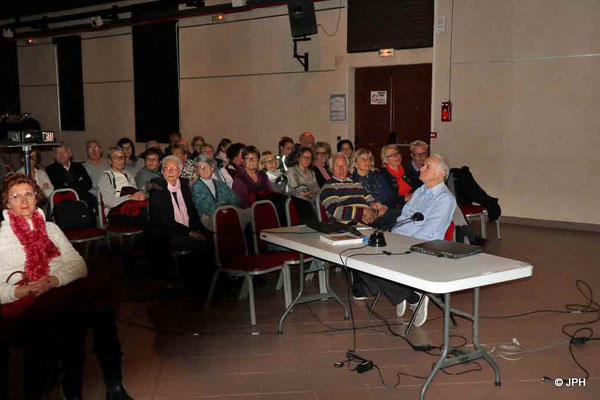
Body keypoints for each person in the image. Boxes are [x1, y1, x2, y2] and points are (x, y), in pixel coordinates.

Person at [0, 174, 134, 400]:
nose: (24, 201)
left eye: (29, 194)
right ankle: (69, 389)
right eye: (16, 196)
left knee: (100, 306)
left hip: (56, 285)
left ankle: (114, 384)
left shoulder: (51, 228)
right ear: (6, 202)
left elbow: (77, 264)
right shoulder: (3, 235)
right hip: (22, 295)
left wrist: (54, 279)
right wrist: (22, 290)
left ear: (37, 198)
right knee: (62, 319)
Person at [359, 154, 457, 327]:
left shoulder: (445, 199)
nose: (421, 168)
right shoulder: (420, 191)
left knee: (379, 260)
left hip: (424, 247)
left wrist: (399, 241)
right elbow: (403, 218)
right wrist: (394, 236)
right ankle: (405, 294)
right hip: (403, 239)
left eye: (427, 166)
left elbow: (428, 233)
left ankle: (411, 296)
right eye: (423, 165)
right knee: (360, 258)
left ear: (441, 173)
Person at [146, 156, 208, 291]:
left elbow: (192, 211)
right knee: (196, 243)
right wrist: (190, 232)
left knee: (209, 237)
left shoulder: (184, 186)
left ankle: (205, 280)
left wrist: (198, 228)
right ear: (162, 171)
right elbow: (165, 220)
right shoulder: (157, 188)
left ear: (180, 172)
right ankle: (192, 283)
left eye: (173, 168)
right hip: (165, 231)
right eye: (166, 168)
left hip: (182, 228)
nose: (170, 171)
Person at [319, 153, 385, 226]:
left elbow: (372, 201)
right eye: (337, 166)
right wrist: (362, 212)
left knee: (395, 214)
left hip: (367, 221)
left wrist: (375, 211)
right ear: (332, 168)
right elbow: (335, 211)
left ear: (347, 167)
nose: (341, 169)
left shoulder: (357, 184)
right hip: (346, 224)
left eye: (343, 165)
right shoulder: (328, 187)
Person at [350, 148, 404, 228]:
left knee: (401, 214)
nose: (367, 161)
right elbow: (355, 202)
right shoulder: (351, 181)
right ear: (355, 163)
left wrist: (385, 207)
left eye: (369, 158)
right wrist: (374, 211)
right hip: (366, 214)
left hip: (385, 212)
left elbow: (391, 197)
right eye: (363, 158)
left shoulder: (378, 176)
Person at [191, 155, 240, 229]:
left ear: (212, 168)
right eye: (200, 167)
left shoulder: (220, 184)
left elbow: (234, 199)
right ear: (197, 171)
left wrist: (227, 208)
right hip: (209, 220)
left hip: (227, 215)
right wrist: (223, 208)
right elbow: (206, 208)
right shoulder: (196, 187)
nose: (204, 169)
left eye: (206, 166)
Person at [45, 144, 96, 212]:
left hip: (84, 199)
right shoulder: (50, 169)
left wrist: (69, 184)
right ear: (55, 156)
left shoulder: (78, 166)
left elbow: (88, 183)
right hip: (63, 203)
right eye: (58, 153)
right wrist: (78, 183)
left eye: (64, 152)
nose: (61, 155)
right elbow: (59, 187)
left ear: (70, 154)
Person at [97, 147, 146, 217]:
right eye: (115, 157)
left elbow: (135, 194)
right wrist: (130, 197)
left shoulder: (130, 175)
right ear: (110, 160)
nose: (120, 160)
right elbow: (109, 201)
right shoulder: (105, 177)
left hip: (132, 208)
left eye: (122, 157)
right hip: (115, 212)